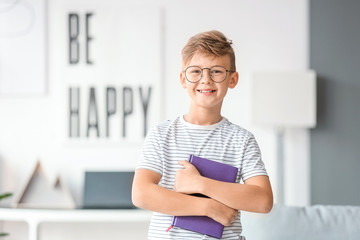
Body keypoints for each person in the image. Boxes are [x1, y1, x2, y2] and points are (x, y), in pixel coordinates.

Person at [132, 30, 273, 240]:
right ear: (183, 79)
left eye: (216, 71)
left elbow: (263, 201)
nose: (205, 79)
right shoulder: (162, 134)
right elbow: (141, 194)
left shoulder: (242, 140)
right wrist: (208, 207)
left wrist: (200, 184)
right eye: (196, 71)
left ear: (232, 79)